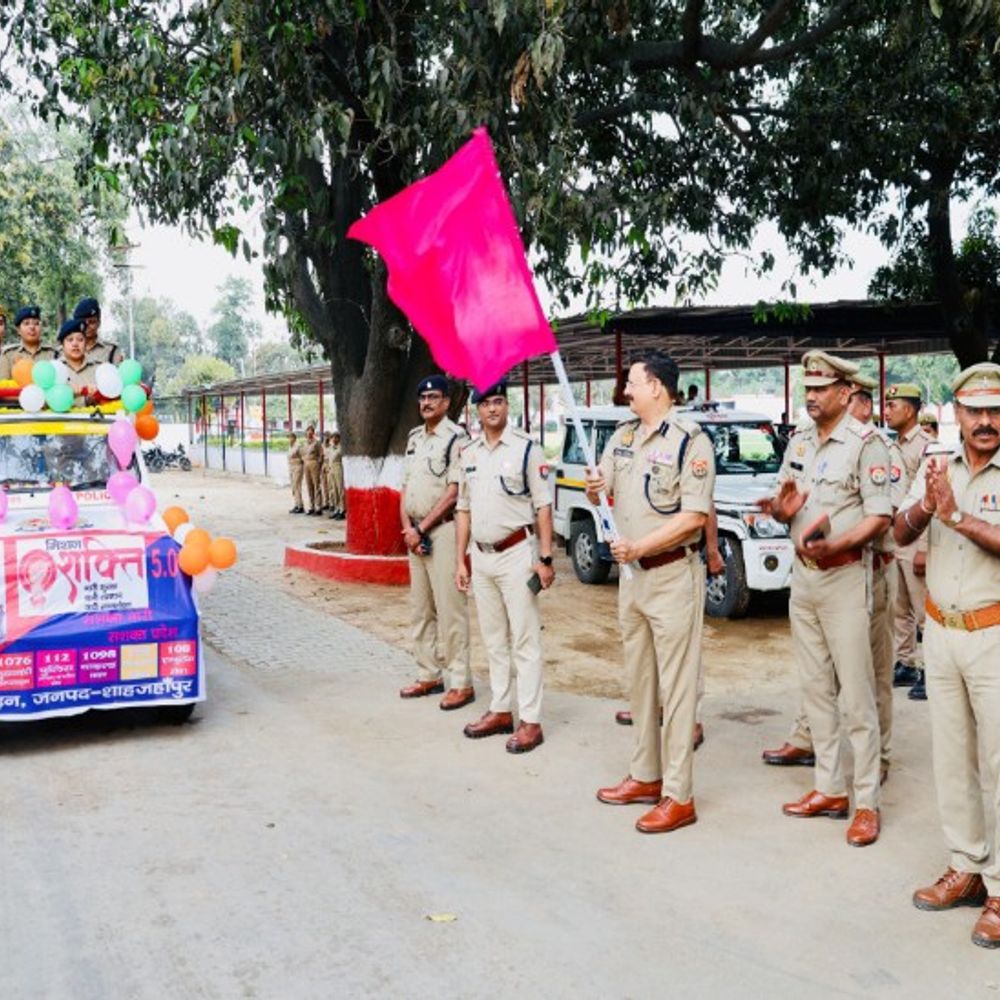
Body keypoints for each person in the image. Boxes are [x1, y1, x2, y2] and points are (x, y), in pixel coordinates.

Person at [758, 351, 891, 848]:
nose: (810, 397)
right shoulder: (798, 443)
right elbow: (784, 505)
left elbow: (879, 516)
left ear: (844, 392)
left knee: (857, 695)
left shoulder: (866, 444)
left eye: (820, 389)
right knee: (815, 689)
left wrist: (836, 544)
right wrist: (779, 511)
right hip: (804, 580)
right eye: (806, 388)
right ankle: (829, 789)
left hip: (843, 577)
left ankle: (866, 803)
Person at [895, 362, 1000, 949]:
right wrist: (925, 509)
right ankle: (966, 866)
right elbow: (900, 530)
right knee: (952, 759)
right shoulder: (935, 463)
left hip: (994, 635)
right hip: (942, 633)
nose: (985, 422)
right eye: (974, 410)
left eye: (995, 410)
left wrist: (958, 516)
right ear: (955, 411)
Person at [589, 350, 714, 835]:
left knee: (677, 690)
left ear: (658, 387)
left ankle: (678, 795)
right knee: (639, 681)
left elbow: (694, 517)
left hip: (671, 576)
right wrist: (595, 488)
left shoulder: (690, 441)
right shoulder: (622, 437)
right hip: (632, 579)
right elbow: (600, 494)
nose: (626, 391)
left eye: (633, 383)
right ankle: (645, 774)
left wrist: (640, 544)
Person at [455, 380, 554, 754]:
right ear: (477, 411)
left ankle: (530, 720)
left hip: (517, 554)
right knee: (494, 639)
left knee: (525, 640)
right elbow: (463, 508)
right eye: (485, 403)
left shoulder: (527, 448)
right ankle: (500, 710)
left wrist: (544, 558)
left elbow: (543, 505)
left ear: (506, 406)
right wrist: (461, 559)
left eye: (498, 401)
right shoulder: (469, 453)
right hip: (481, 557)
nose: (492, 409)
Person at [613, 502, 723, 751]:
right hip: (638, 566)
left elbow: (705, 506)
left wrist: (713, 550)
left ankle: (692, 721)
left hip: (676, 563)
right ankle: (651, 710)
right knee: (649, 651)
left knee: (684, 653)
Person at [398, 375, 474, 710]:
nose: (427, 403)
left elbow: (454, 490)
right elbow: (406, 487)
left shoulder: (456, 438)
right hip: (415, 536)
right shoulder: (414, 438)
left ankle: (461, 682)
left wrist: (423, 528)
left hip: (442, 532)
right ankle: (428, 673)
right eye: (423, 397)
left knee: (450, 611)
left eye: (434, 397)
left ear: (446, 403)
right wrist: (408, 530)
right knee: (420, 610)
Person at [885, 383, 935, 697]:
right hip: (895, 537)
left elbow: (934, 502)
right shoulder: (892, 446)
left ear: (911, 410)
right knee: (898, 606)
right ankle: (906, 662)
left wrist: (926, 550)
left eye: (893, 406)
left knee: (924, 610)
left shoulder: (928, 446)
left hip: (918, 538)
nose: (887, 411)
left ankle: (931, 669)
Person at [0, 305, 56, 379]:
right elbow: (3, 386)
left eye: (36, 323)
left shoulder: (52, 354)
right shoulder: (8, 355)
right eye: (26, 323)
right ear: (18, 330)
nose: (32, 327)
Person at [57, 318, 100, 404]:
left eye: (80, 339)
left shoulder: (98, 369)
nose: (75, 344)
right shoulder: (54, 369)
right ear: (62, 344)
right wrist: (85, 401)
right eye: (70, 340)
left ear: (86, 343)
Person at [72, 298, 125, 365]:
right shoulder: (61, 352)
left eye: (92, 322)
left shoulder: (111, 351)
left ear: (98, 323)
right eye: (83, 323)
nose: (87, 327)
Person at [302, 424, 324, 515]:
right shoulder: (305, 443)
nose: (309, 433)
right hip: (306, 464)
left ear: (313, 433)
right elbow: (302, 454)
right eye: (308, 431)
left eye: (311, 431)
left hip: (314, 463)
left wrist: (319, 465)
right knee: (309, 486)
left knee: (316, 485)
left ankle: (318, 507)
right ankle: (311, 506)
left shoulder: (317, 443)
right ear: (306, 433)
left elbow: (321, 455)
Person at [327, 431, 345, 520]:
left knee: (340, 489)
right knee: (334, 490)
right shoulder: (330, 448)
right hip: (331, 469)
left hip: (338, 467)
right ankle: (337, 509)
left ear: (339, 439)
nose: (334, 439)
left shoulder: (341, 448)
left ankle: (342, 510)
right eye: (333, 437)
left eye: (336, 437)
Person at [287, 432, 305, 514]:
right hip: (291, 467)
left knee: (297, 486)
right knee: (293, 487)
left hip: (298, 467)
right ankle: (296, 504)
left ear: (294, 438)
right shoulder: (290, 447)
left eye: (290, 437)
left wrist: (300, 464)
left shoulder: (298, 446)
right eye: (288, 438)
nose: (289, 439)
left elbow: (303, 457)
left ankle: (300, 506)